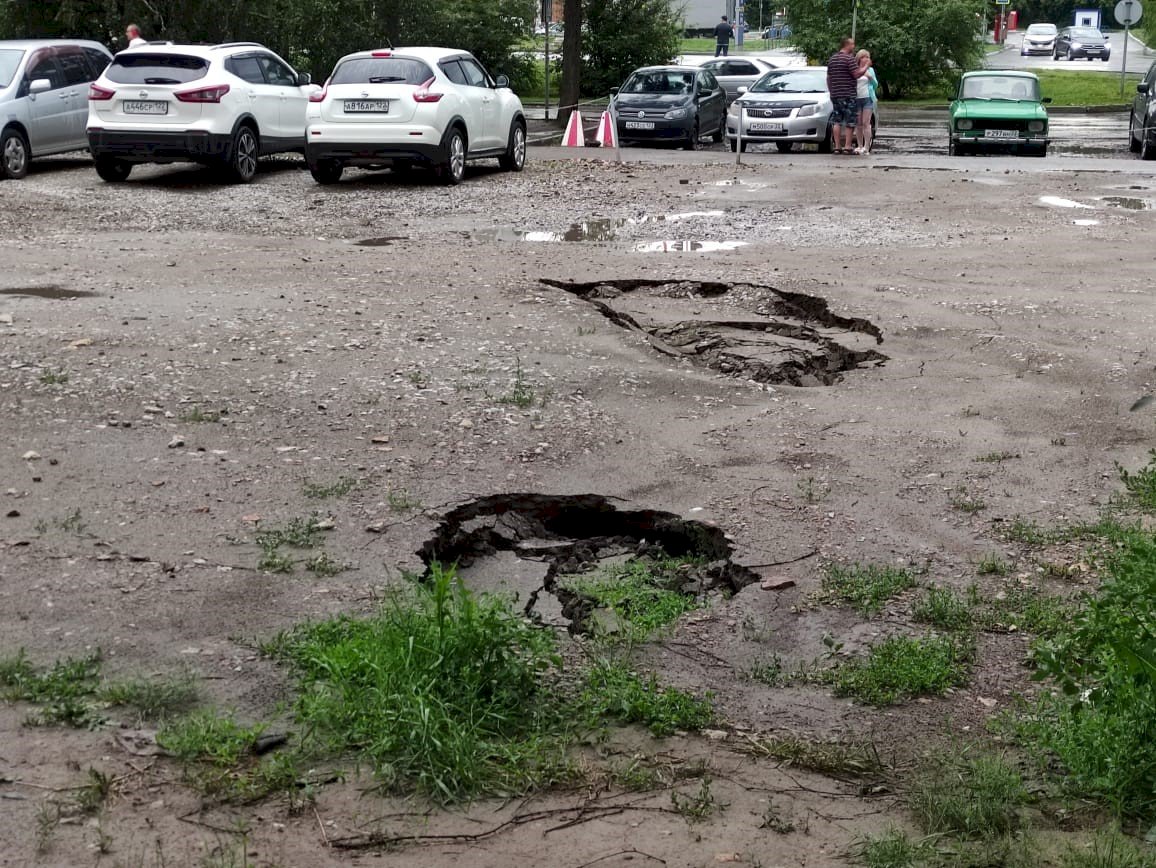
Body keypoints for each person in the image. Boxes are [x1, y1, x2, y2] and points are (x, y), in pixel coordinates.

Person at [826, 36, 864, 155]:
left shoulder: (832, 59)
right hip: (848, 94)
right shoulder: (849, 59)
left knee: (836, 121)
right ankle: (847, 146)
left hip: (836, 95)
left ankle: (837, 146)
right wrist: (866, 66)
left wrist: (832, 91)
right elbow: (857, 74)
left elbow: (828, 78)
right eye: (852, 44)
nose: (854, 47)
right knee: (850, 121)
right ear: (846, 45)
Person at [854, 49, 879, 154]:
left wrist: (870, 77)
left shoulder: (870, 70)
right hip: (856, 99)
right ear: (860, 58)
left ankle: (866, 146)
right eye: (864, 57)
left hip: (867, 98)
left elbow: (876, 84)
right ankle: (859, 146)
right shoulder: (855, 69)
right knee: (858, 123)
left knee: (866, 123)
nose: (866, 59)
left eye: (868, 57)